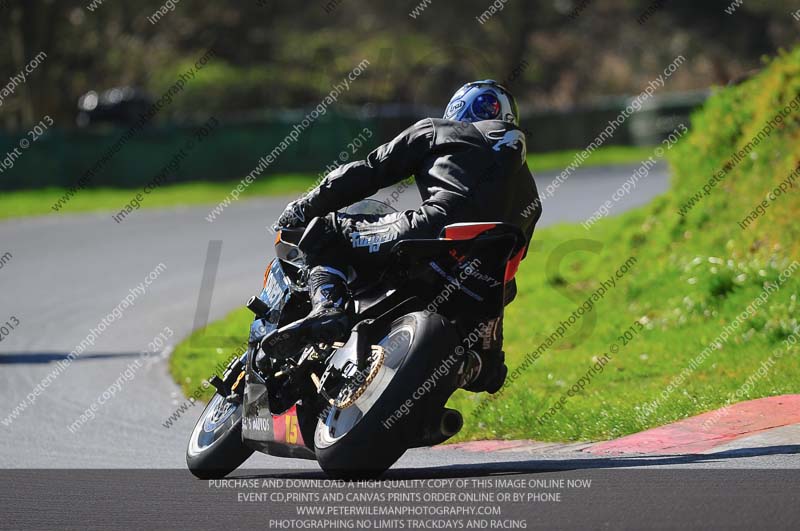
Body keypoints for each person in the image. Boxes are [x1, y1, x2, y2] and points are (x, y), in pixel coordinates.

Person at [261, 79, 542, 393]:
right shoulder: (530, 190)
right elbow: (518, 257)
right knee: (490, 371)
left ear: (458, 109)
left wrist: (305, 206)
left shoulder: (439, 129)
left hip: (433, 232)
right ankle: (467, 366)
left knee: (327, 230)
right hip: (489, 282)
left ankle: (328, 307)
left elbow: (371, 170)